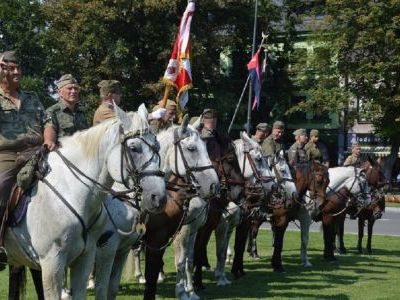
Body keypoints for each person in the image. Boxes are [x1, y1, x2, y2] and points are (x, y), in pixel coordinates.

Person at [0, 51, 45, 269]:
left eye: (18, 67)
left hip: (39, 150)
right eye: (11, 67)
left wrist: (49, 141)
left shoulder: (32, 97)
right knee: (1, 188)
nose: (17, 71)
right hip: (8, 155)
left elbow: (48, 122)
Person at [43, 74, 88, 150]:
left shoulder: (81, 112)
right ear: (60, 92)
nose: (73, 91)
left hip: (82, 156)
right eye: (69, 88)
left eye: (76, 89)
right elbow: (49, 139)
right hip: (63, 157)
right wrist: (49, 141)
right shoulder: (52, 112)